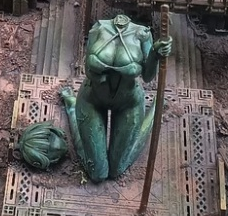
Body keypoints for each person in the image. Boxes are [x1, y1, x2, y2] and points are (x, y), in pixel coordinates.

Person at [61, 14, 171, 182]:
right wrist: (100, 74)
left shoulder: (143, 34)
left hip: (128, 102)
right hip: (93, 99)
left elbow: (148, 77)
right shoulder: (98, 28)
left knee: (116, 169)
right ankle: (71, 106)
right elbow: (88, 69)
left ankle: (155, 110)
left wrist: (156, 53)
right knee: (98, 174)